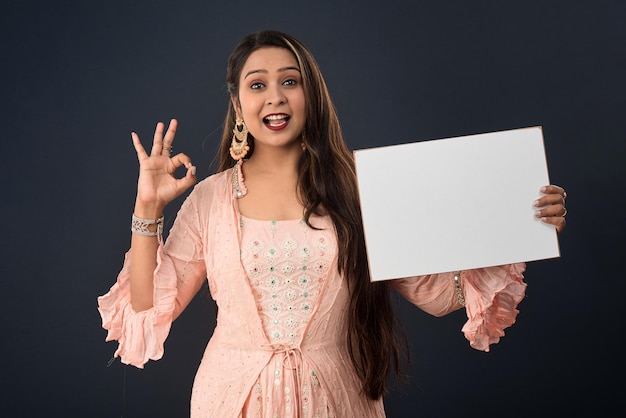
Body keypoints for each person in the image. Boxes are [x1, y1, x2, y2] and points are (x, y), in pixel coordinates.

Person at [98, 30, 568, 417]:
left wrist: (518, 221)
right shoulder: (210, 199)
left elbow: (443, 296)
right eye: (257, 85)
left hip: (339, 401)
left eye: (290, 81)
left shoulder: (360, 190)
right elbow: (146, 306)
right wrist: (147, 209)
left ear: (311, 95)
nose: (275, 97)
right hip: (229, 401)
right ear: (239, 107)